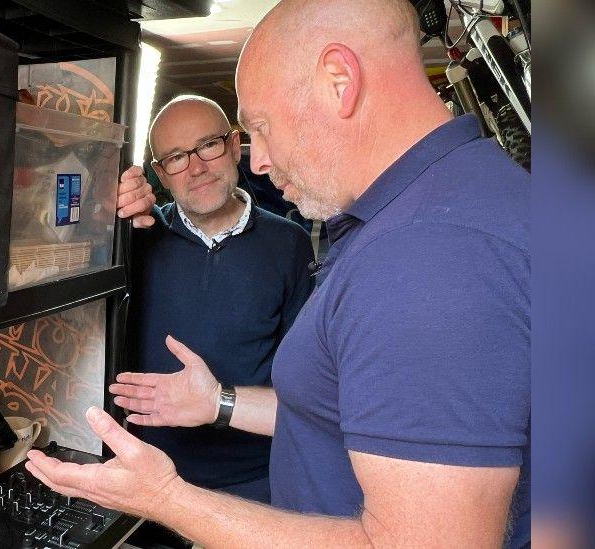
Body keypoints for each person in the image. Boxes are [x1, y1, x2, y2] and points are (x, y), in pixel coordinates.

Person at [26, 0, 530, 547]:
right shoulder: (440, 203)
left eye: (259, 128)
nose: (259, 160)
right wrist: (217, 402)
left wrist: (165, 499)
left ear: (340, 79)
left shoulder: (427, 255)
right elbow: (341, 410)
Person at [120, 95, 313, 503]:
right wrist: (104, 212)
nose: (196, 168)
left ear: (233, 145)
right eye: (175, 157)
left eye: (207, 145)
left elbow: (306, 383)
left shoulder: (289, 244)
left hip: (255, 479)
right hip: (145, 470)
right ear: (160, 173)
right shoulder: (134, 239)